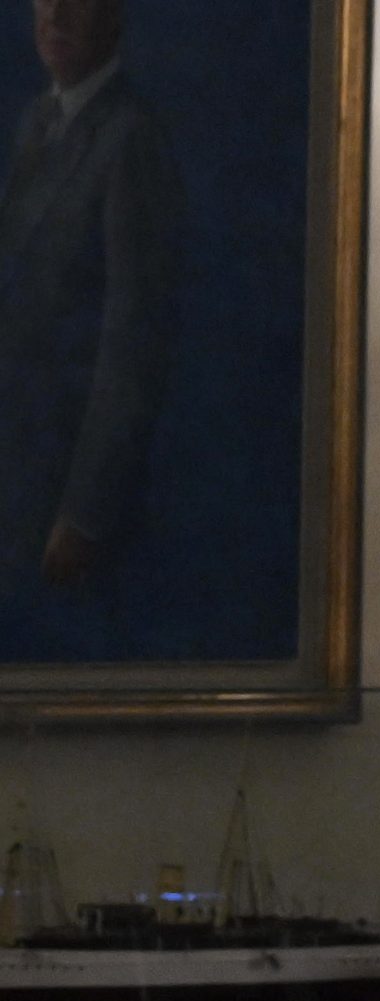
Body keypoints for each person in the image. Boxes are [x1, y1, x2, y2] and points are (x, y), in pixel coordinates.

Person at [0, 0, 179, 637]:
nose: (56, 14)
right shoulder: (37, 121)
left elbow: (134, 344)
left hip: (66, 498)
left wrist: (83, 515)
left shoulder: (130, 136)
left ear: (114, 16)